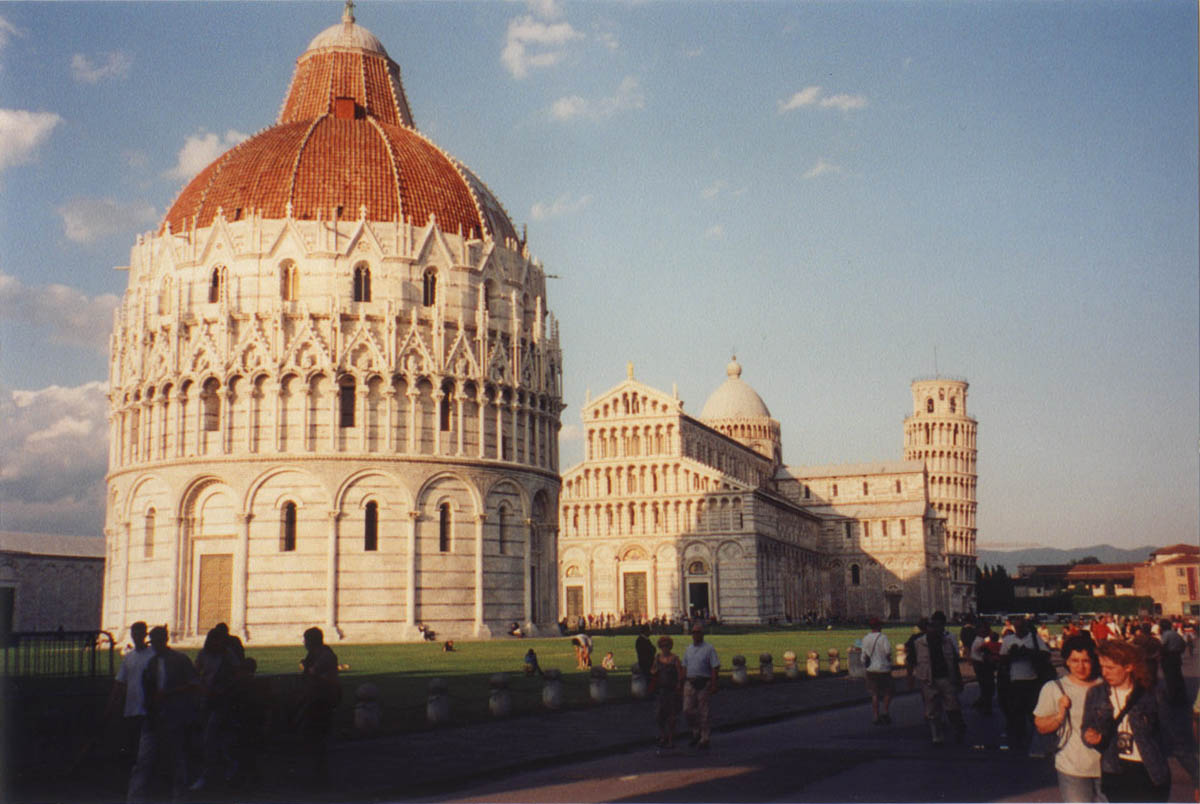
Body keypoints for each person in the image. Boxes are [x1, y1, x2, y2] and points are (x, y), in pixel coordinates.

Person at [1082, 639, 1171, 802]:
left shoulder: (1152, 694)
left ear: (1129, 667)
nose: (1104, 673)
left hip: (1149, 770)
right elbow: (1086, 727)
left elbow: (1170, 736)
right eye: (1102, 667)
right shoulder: (1095, 693)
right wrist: (1091, 737)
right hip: (1114, 771)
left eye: (1110, 667)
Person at [129, 626, 198, 803]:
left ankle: (179, 797)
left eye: (158, 641)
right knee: (143, 760)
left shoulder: (180, 660)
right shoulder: (150, 662)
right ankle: (135, 798)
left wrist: (169, 693)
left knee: (176, 759)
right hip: (152, 717)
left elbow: (193, 684)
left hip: (173, 716)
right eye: (153, 642)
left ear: (165, 640)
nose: (155, 645)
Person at [1033, 635, 1102, 802]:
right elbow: (1041, 726)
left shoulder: (1105, 686)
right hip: (1072, 767)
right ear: (1067, 662)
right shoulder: (1054, 688)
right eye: (1074, 661)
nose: (1080, 666)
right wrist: (1060, 715)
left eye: (1085, 660)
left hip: (1107, 767)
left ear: (1093, 661)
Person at [191, 626, 239, 791]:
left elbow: (236, 675)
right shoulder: (203, 655)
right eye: (216, 640)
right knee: (210, 738)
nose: (218, 643)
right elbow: (195, 674)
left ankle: (210, 773)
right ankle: (224, 769)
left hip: (222, 701)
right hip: (206, 700)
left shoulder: (228, 655)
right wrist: (202, 687)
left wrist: (224, 688)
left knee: (211, 737)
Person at [911, 610, 965, 745]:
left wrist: (959, 679)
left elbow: (953, 661)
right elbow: (911, 661)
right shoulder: (918, 643)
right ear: (929, 629)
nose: (937, 631)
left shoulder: (947, 642)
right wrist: (911, 678)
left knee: (953, 705)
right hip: (928, 679)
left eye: (940, 628)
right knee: (932, 710)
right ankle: (937, 735)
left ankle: (957, 727)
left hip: (946, 678)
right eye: (934, 628)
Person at [105, 621, 153, 770]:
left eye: (140, 633)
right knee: (132, 743)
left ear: (145, 635)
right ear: (131, 635)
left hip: (149, 708)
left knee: (146, 746)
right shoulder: (129, 657)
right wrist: (111, 704)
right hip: (131, 708)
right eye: (134, 633)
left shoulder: (153, 655)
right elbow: (120, 682)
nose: (137, 636)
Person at [1000, 615, 1050, 752]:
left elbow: (1046, 655)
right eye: (1017, 627)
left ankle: (1036, 739)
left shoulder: (1034, 638)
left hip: (1032, 680)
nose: (1019, 630)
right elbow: (1002, 659)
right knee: (1017, 713)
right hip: (1015, 681)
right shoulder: (1008, 640)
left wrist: (1028, 653)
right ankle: (1019, 737)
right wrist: (1013, 654)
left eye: (1021, 627)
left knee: (1033, 712)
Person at [298, 627, 341, 786]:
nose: (304, 643)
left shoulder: (324, 656)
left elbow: (313, 672)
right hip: (317, 700)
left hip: (322, 701)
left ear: (311, 641)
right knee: (314, 739)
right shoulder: (319, 654)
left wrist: (307, 669)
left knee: (317, 740)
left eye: (305, 640)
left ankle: (320, 777)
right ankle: (318, 774)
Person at [681, 622, 719, 749]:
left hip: (704, 682)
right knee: (687, 710)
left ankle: (704, 737)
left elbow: (715, 667)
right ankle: (696, 731)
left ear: (702, 634)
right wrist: (681, 682)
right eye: (694, 633)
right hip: (690, 682)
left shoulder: (709, 648)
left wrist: (714, 684)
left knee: (704, 712)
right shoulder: (688, 649)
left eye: (698, 632)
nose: (696, 635)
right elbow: (684, 666)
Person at [650, 635, 684, 748]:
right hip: (661, 690)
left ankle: (670, 739)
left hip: (672, 690)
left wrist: (679, 685)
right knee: (659, 715)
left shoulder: (675, 658)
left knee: (671, 716)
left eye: (667, 646)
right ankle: (663, 735)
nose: (665, 648)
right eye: (663, 646)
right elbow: (653, 671)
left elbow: (680, 673)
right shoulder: (657, 658)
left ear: (670, 647)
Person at [861, 617, 893, 725]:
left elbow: (863, 657)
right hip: (883, 669)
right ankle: (885, 711)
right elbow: (888, 652)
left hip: (871, 669)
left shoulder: (865, 638)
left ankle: (875, 715)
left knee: (874, 694)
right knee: (888, 692)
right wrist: (889, 662)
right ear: (879, 627)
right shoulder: (883, 638)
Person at [1158, 619, 1186, 706]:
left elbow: (1162, 645)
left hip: (1168, 657)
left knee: (1170, 679)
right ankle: (1182, 696)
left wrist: (1160, 655)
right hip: (1177, 657)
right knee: (1178, 677)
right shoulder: (1175, 633)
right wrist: (1179, 651)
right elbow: (1183, 644)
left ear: (1162, 627)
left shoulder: (1166, 634)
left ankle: (1173, 698)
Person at [969, 624, 996, 715]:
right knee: (988, 687)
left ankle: (982, 703)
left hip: (979, 665)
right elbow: (986, 655)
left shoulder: (979, 640)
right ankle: (986, 706)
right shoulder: (981, 642)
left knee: (985, 686)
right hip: (982, 666)